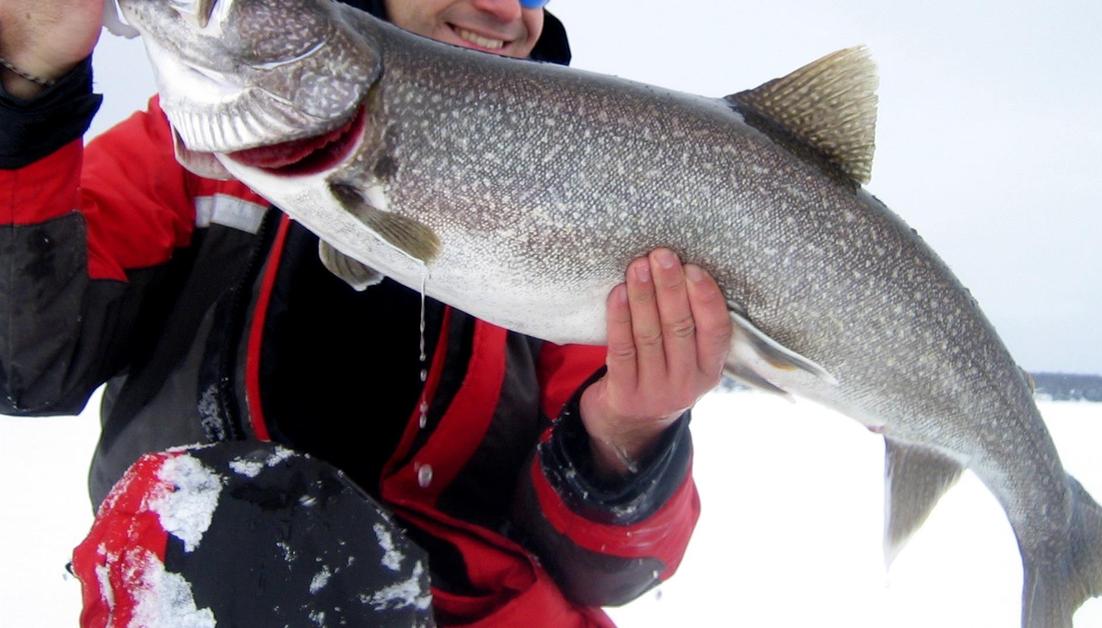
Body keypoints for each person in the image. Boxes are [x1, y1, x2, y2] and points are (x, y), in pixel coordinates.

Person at [0, 0, 733, 625]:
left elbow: (617, 572)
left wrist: (625, 443)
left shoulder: (608, 213)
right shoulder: (191, 147)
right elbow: (24, 363)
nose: (506, 11)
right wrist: (28, 94)